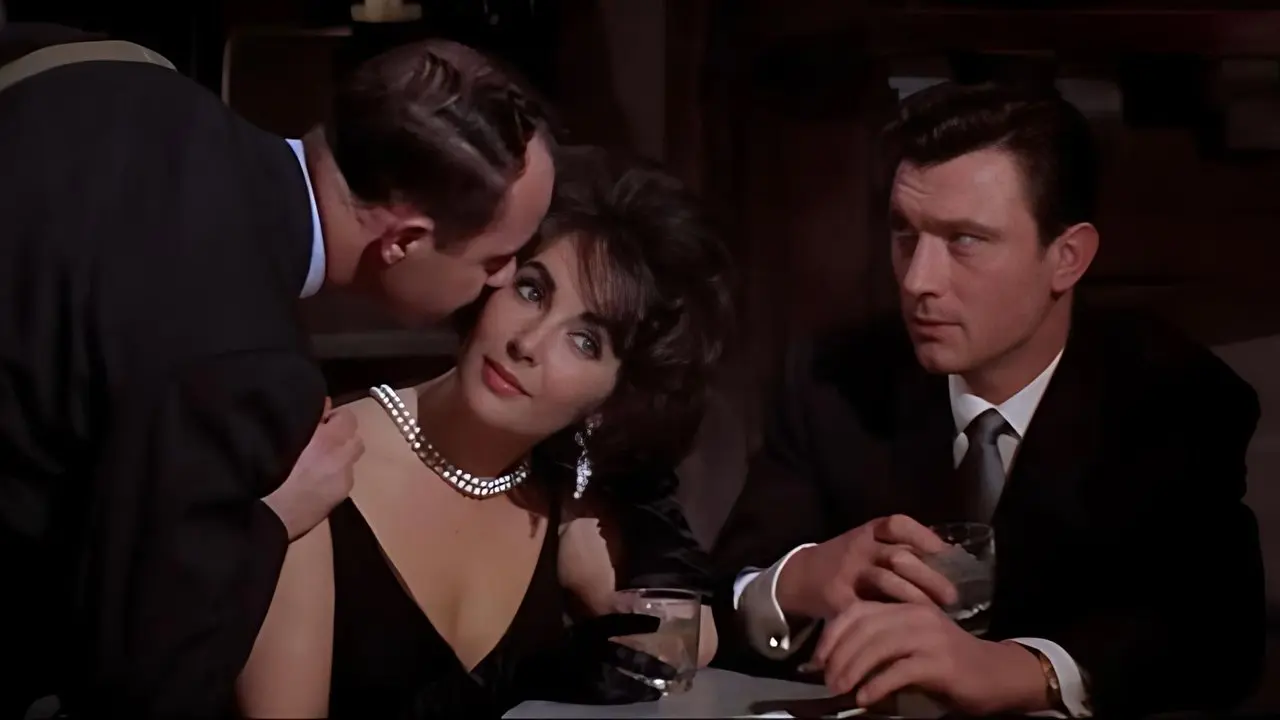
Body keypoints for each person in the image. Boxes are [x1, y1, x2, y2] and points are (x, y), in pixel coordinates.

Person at [0, 31, 554, 719]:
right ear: (405, 241)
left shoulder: (118, 77)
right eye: (495, 258)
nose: (503, 278)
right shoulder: (248, 370)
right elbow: (142, 680)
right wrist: (271, 519)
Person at [710, 81, 1265, 717]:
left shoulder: (1173, 397)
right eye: (905, 234)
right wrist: (800, 579)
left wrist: (1023, 670)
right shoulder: (834, 379)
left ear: (1067, 258)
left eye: (965, 241)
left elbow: (1217, 640)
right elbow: (719, 600)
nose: (918, 280)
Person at [234, 145, 734, 719]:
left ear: (617, 396)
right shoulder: (318, 469)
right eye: (532, 291)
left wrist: (596, 558)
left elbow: (687, 648)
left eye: (585, 341)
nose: (528, 342)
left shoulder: (569, 506)